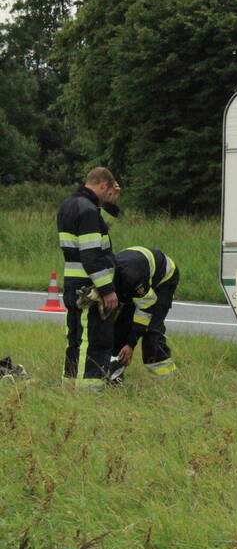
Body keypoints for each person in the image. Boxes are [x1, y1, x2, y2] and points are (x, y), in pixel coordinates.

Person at [57, 167, 121, 389]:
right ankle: (88, 392)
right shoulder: (88, 211)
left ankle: (70, 385)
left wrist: (110, 203)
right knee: (94, 340)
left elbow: (100, 224)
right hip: (89, 286)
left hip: (72, 283)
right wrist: (107, 289)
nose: (108, 194)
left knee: (74, 339)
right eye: (108, 191)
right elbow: (92, 255)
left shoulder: (71, 205)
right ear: (103, 184)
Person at [107, 246, 180, 383]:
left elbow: (146, 309)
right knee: (120, 327)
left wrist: (130, 344)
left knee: (151, 331)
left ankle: (166, 381)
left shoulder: (132, 278)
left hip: (163, 280)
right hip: (137, 271)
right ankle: (114, 377)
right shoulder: (105, 278)